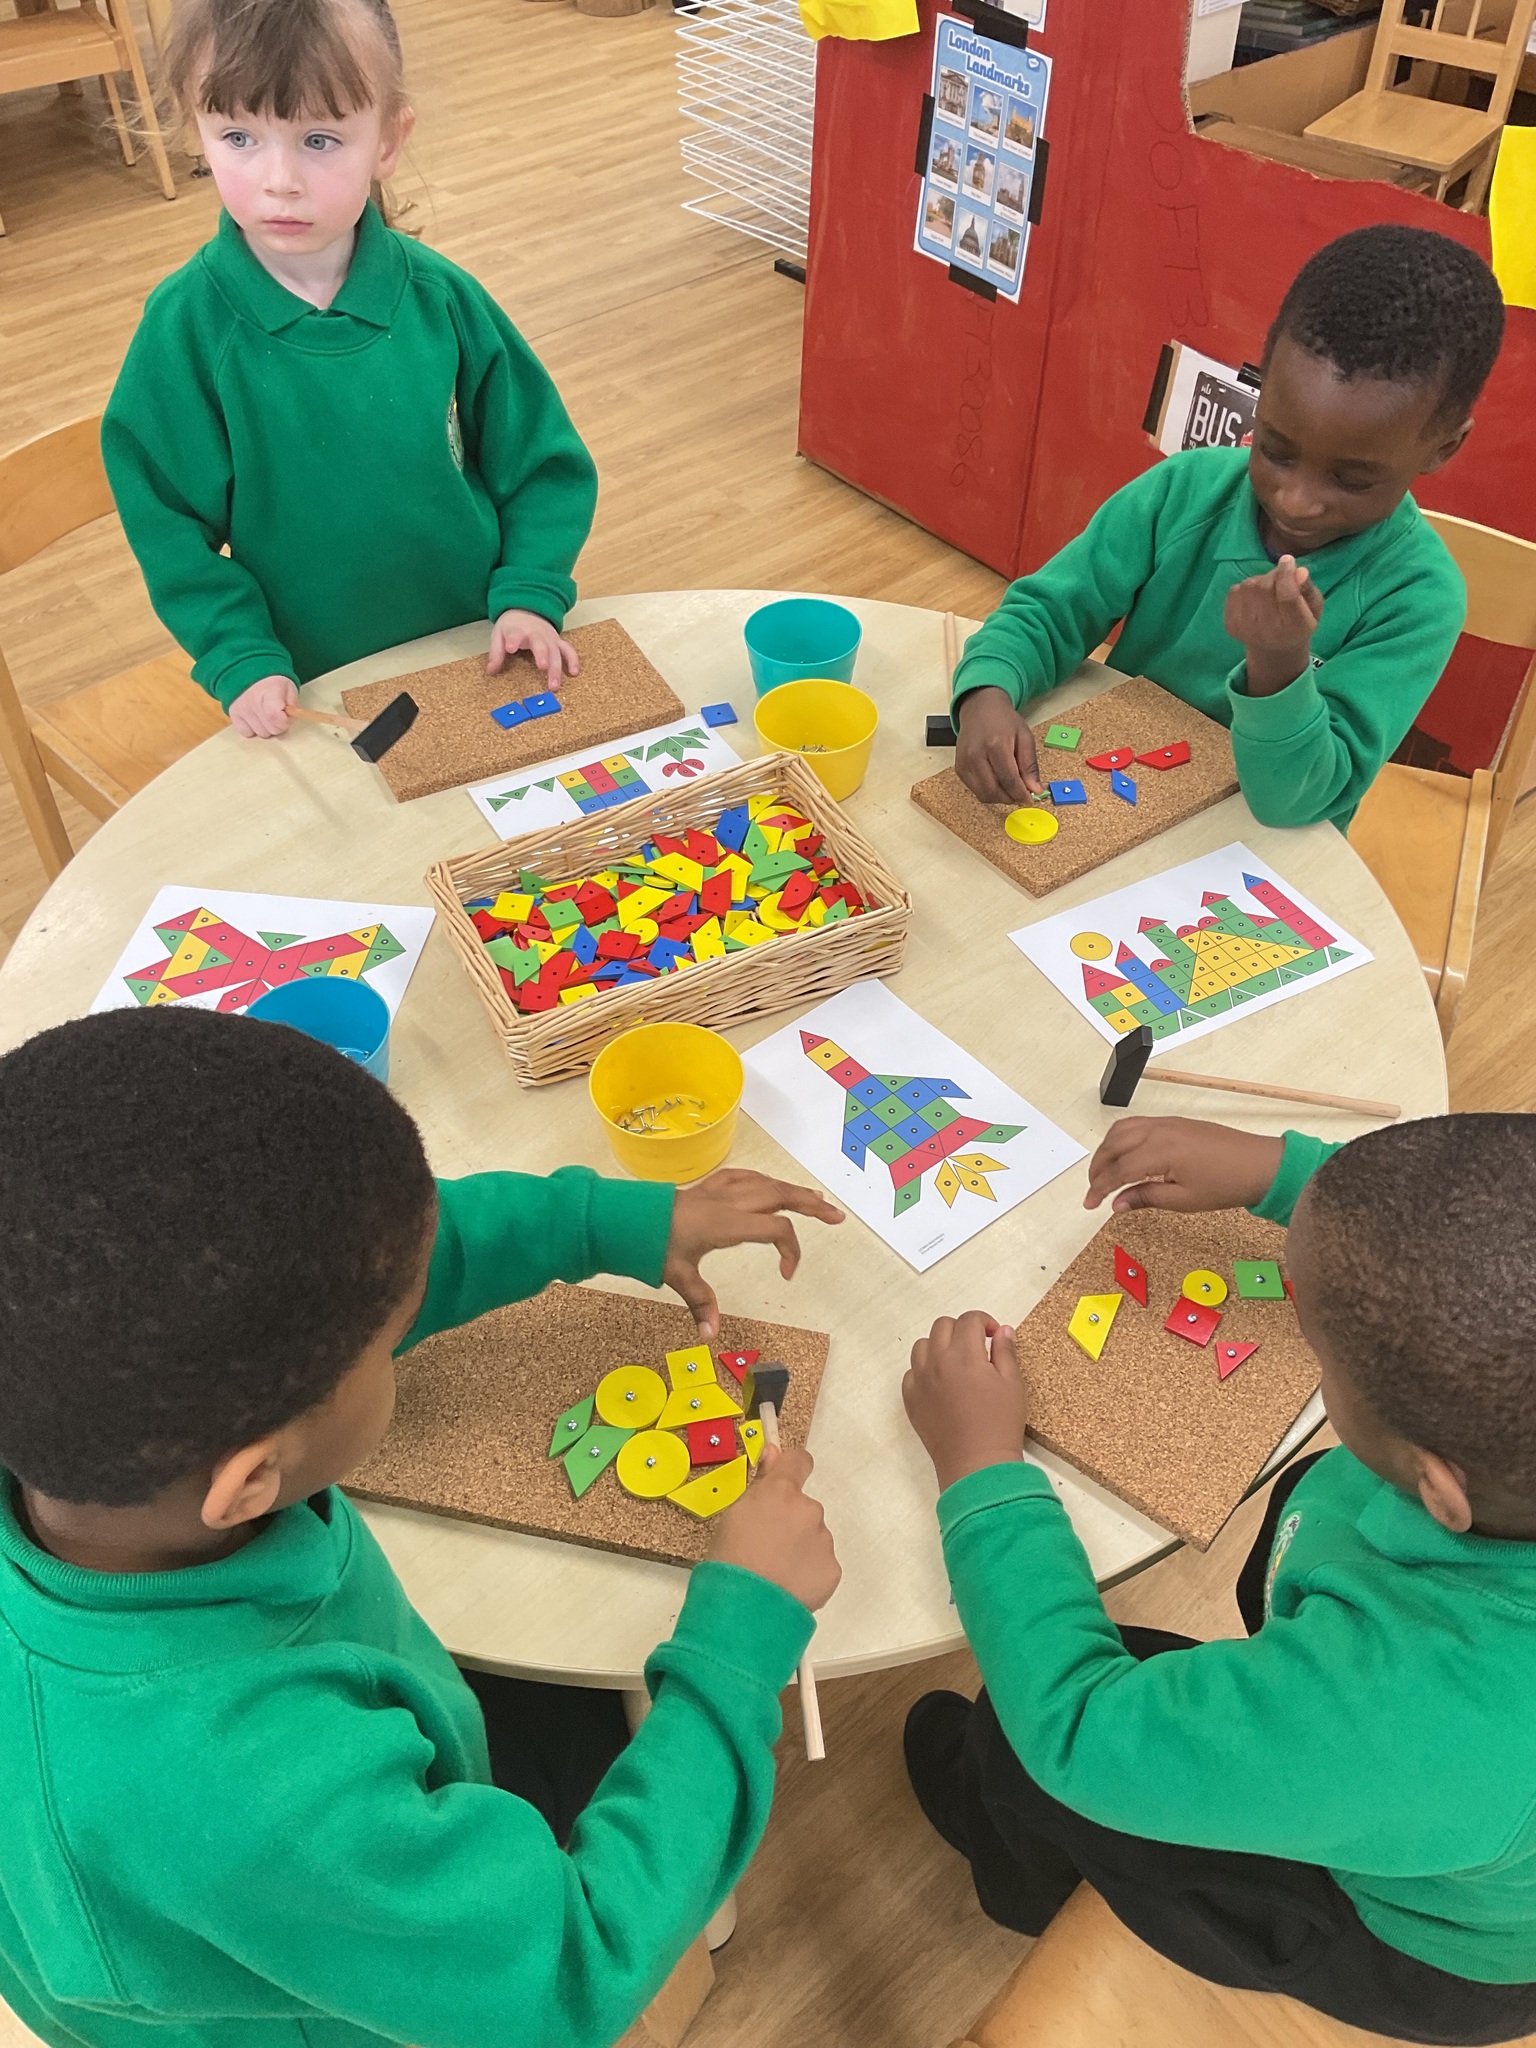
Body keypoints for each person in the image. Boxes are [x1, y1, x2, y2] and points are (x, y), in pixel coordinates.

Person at [0, 1008, 842, 2048]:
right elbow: (571, 1967)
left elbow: (367, 1268)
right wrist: (740, 1639)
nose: (408, 1320)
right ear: (252, 1480)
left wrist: (602, 1222)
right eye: (391, 1338)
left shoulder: (84, 1412)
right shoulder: (253, 1795)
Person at [900, 1111, 1536, 2045]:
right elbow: (1498, 1237)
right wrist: (1288, 1178)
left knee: (1018, 1732)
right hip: (1438, 1792)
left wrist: (981, 1472)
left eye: (1323, 1355)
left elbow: (1077, 1729)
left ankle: (1012, 1865)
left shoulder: (1415, 1707)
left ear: (1440, 1490)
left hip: (1406, 1938)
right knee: (1292, 1507)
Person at [102, 0, 596, 740]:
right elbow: (167, 524)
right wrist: (238, 654)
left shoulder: (442, 297)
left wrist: (530, 591)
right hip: (313, 687)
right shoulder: (184, 329)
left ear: (388, 140)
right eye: (238, 137)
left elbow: (542, 463)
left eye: (319, 139)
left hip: (481, 650)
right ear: (195, 131)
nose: (279, 180)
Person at [952, 225, 1506, 829]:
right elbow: (1052, 611)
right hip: (1114, 792)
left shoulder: (1419, 599)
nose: (1296, 502)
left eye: (1352, 480)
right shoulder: (1184, 490)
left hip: (1261, 841)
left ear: (1443, 447)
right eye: (1275, 449)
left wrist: (1279, 663)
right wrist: (988, 690)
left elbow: (1296, 802)